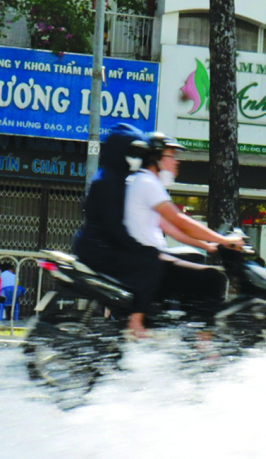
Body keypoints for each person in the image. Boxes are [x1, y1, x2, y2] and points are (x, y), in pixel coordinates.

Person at [123, 132, 242, 337]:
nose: (176, 162)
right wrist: (224, 240)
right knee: (214, 278)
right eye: (171, 155)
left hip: (146, 257)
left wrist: (207, 245)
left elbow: (169, 227)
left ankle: (180, 330)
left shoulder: (139, 182)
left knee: (195, 256)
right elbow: (180, 221)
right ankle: (201, 342)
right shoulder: (148, 184)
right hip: (148, 260)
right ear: (156, 157)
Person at [74, 123, 162, 299]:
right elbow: (112, 225)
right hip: (99, 249)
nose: (135, 159)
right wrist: (139, 248)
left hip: (97, 245)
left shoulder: (115, 177)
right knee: (151, 264)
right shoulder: (109, 182)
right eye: (132, 153)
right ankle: (137, 321)